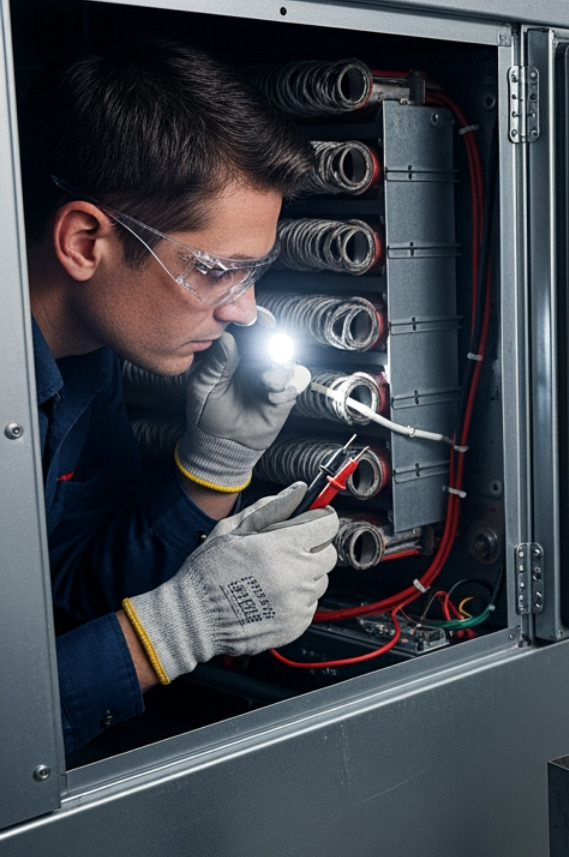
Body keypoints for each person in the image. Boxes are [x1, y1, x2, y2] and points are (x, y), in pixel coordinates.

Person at [19, 41, 339, 753]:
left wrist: (214, 469)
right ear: (84, 241)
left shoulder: (87, 359)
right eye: (217, 270)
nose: (244, 310)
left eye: (254, 273)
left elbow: (70, 583)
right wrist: (175, 630)